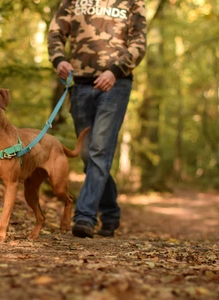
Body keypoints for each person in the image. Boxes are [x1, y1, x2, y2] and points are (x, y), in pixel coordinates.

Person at [47, 0, 147, 238]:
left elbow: (139, 43)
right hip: (80, 85)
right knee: (87, 153)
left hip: (116, 84)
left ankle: (85, 216)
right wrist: (59, 59)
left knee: (100, 151)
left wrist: (115, 71)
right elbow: (55, 32)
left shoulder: (133, 3)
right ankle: (110, 211)